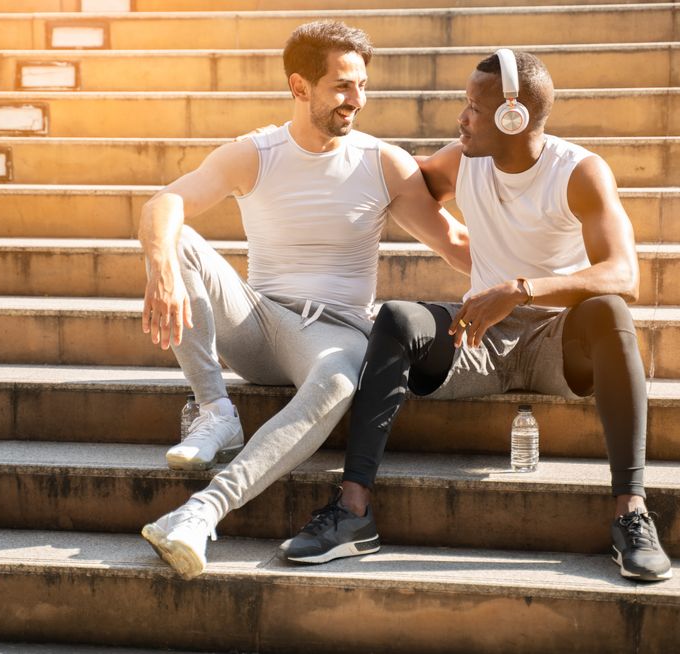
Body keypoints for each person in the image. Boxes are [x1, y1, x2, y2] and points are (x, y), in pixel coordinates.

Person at [280, 49, 673, 582]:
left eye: (473, 108)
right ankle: (353, 512)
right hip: (477, 339)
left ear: (515, 117)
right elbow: (403, 186)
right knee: (396, 316)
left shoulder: (578, 171)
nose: (461, 118)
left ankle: (632, 512)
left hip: (560, 342)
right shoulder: (462, 160)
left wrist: (522, 289)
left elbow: (623, 274)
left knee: (609, 312)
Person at [137, 20, 470, 579]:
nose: (357, 100)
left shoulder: (380, 162)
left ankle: (199, 514)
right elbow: (165, 201)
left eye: (362, 85)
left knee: (340, 378)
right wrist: (161, 265)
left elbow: (454, 242)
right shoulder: (257, 152)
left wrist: (541, 282)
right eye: (343, 86)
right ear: (300, 87)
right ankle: (216, 410)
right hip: (258, 322)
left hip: (335, 334)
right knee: (182, 239)